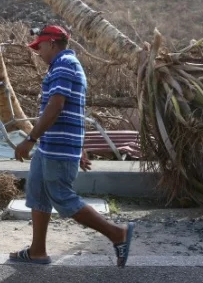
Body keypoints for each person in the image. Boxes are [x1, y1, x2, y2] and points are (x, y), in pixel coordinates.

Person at [9, 25, 134, 267]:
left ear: (53, 44)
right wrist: (80, 148)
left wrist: (30, 139)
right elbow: (74, 111)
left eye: (40, 47)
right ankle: (37, 251)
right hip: (51, 145)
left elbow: (56, 106)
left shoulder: (65, 64)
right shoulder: (62, 66)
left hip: (55, 147)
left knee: (62, 197)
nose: (38, 52)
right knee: (37, 193)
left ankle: (117, 233)